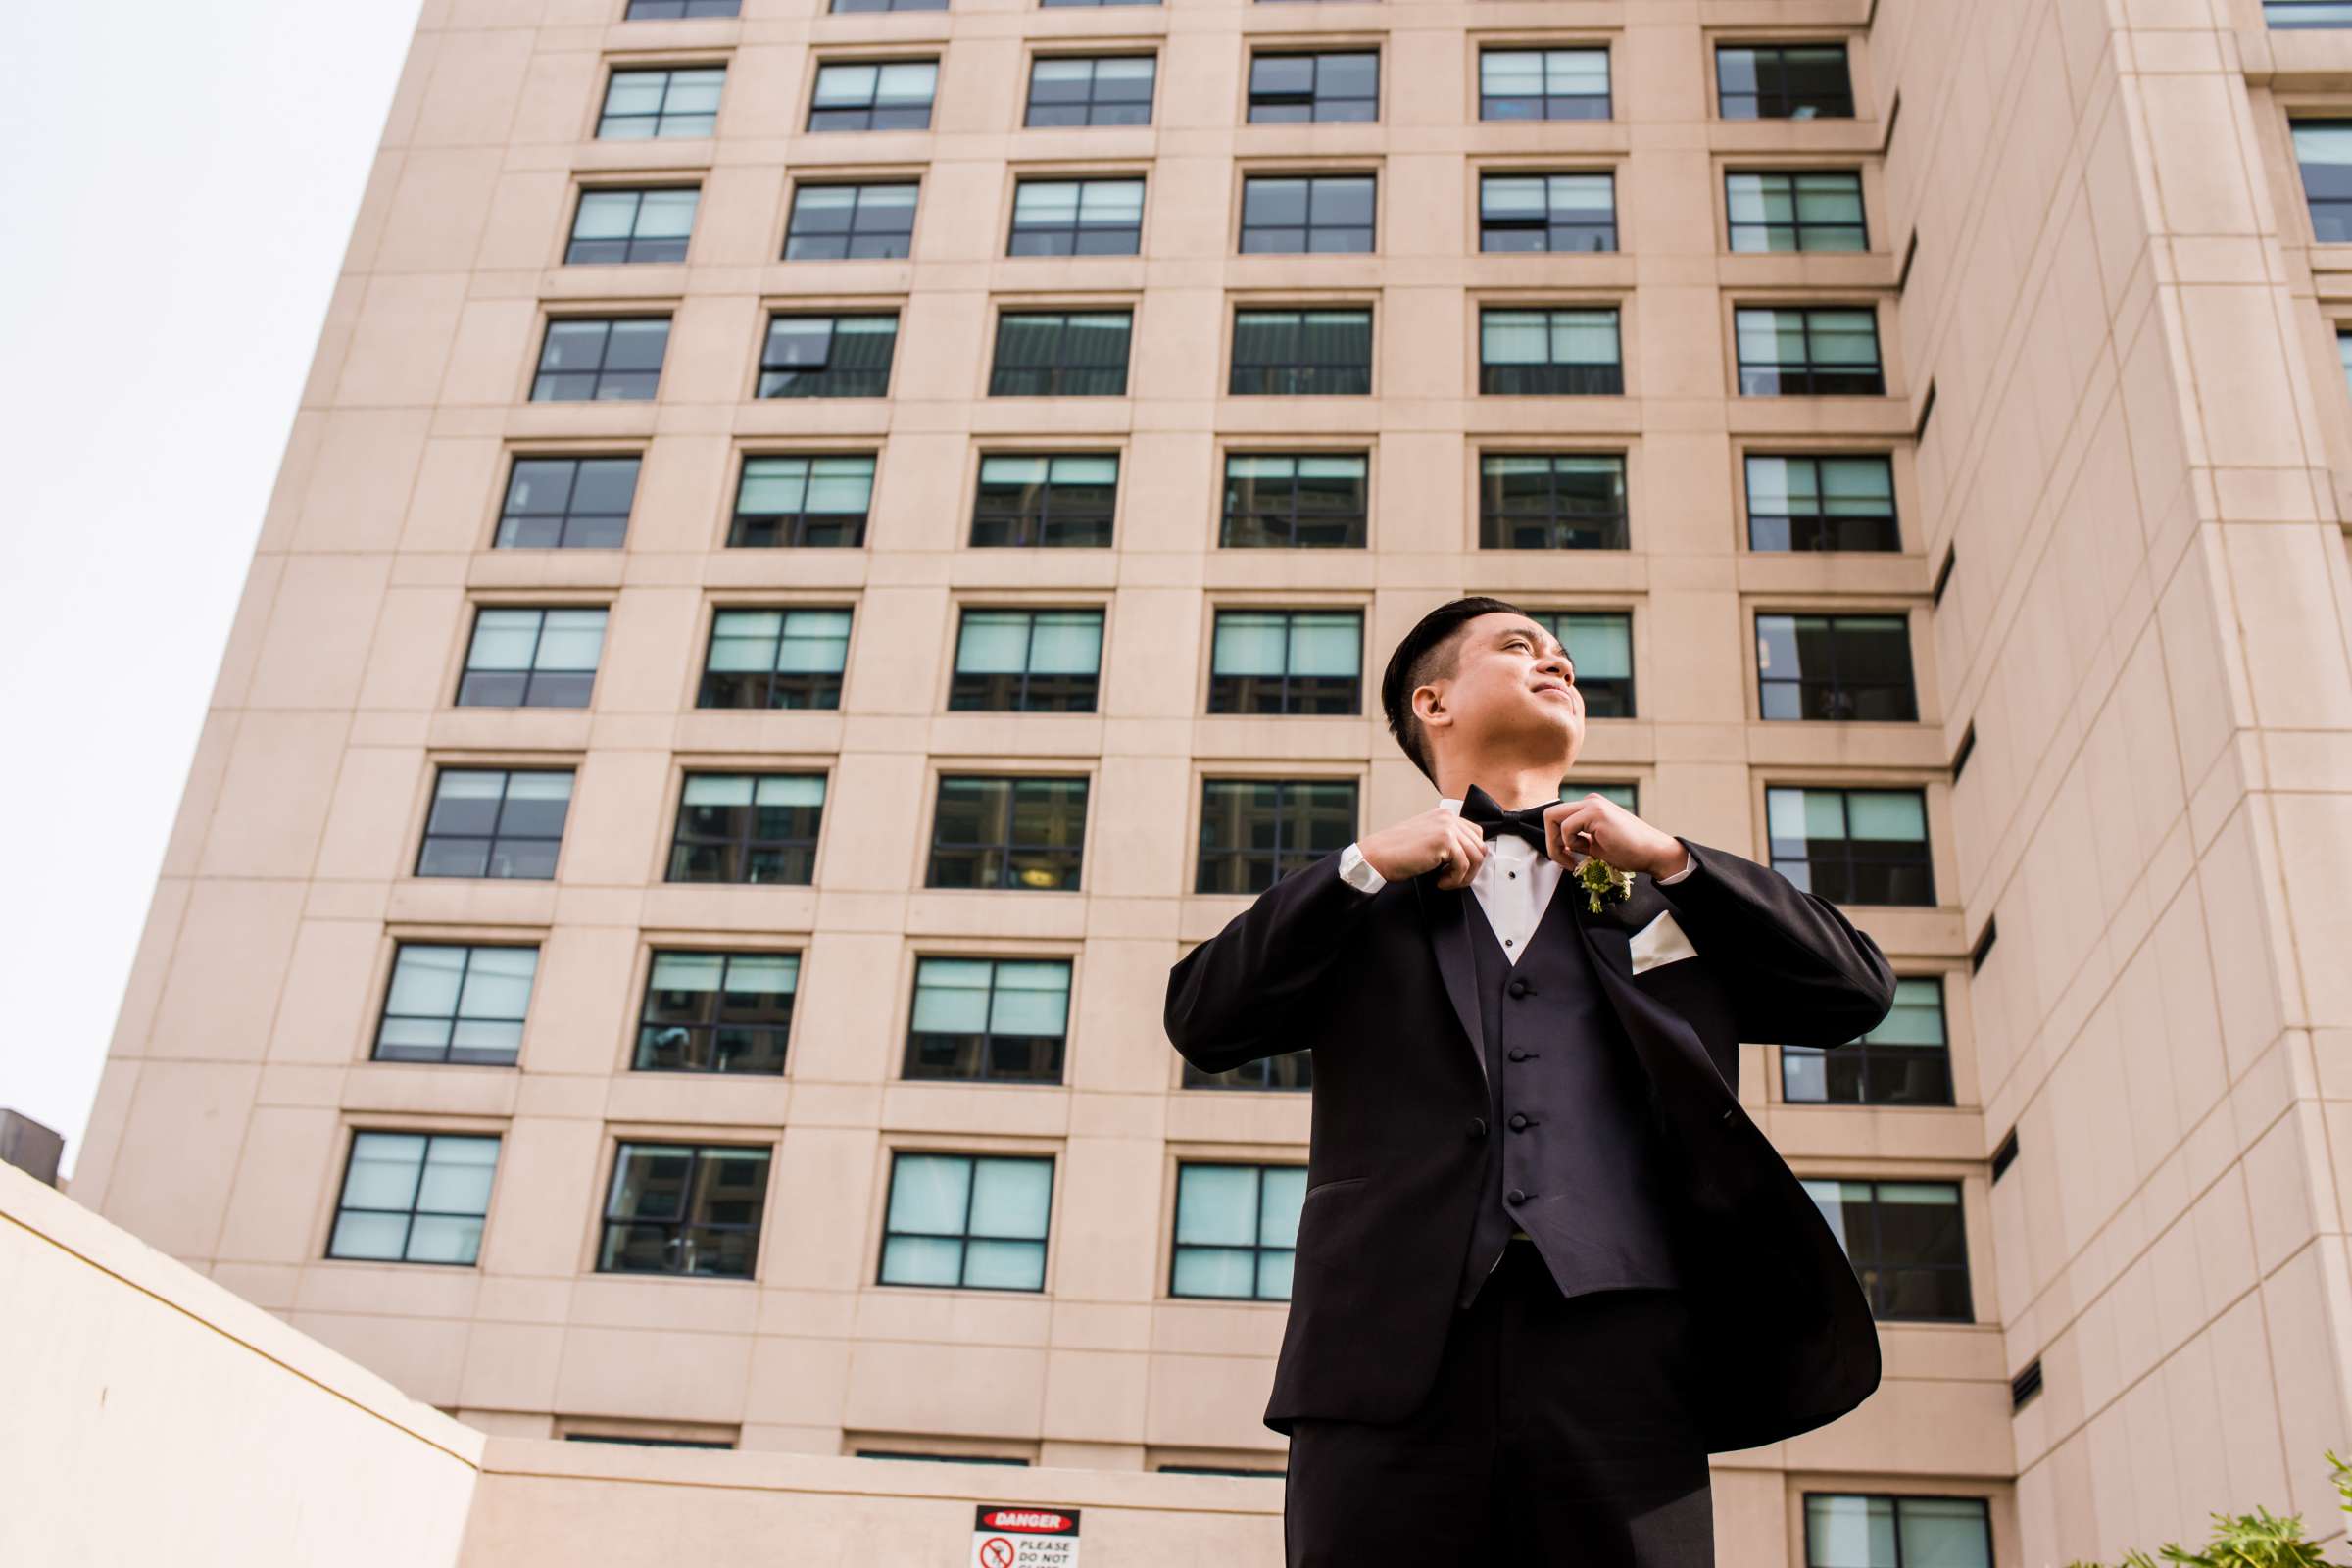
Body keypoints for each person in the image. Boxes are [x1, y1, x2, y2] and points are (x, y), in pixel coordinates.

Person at [1163, 596, 1898, 1566]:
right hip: (1386, 1356)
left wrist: (1673, 860)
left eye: (1567, 660)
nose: (1559, 664)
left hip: (1627, 1352)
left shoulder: (1657, 895)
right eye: (1521, 649)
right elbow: (1204, 1020)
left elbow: (1853, 992)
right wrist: (1363, 865)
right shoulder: (1360, 904)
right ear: (1433, 703)